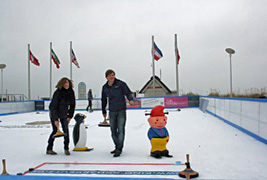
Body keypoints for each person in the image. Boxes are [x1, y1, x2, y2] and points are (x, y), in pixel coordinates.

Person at [101, 69, 134, 157]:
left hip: (121, 110)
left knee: (121, 130)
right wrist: (103, 111)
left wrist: (130, 99)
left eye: (113, 75)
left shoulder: (121, 84)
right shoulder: (105, 87)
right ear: (106, 77)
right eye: (110, 75)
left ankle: (119, 149)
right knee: (113, 131)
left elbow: (128, 92)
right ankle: (117, 146)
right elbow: (103, 100)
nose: (112, 77)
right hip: (112, 111)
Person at [46, 77, 76, 155]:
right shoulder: (57, 93)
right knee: (55, 130)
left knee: (66, 131)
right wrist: (55, 120)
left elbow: (72, 105)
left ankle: (66, 148)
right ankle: (49, 148)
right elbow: (53, 107)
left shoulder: (71, 92)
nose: (66, 84)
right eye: (64, 83)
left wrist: (70, 116)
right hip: (54, 113)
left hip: (64, 114)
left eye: (67, 83)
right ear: (61, 84)